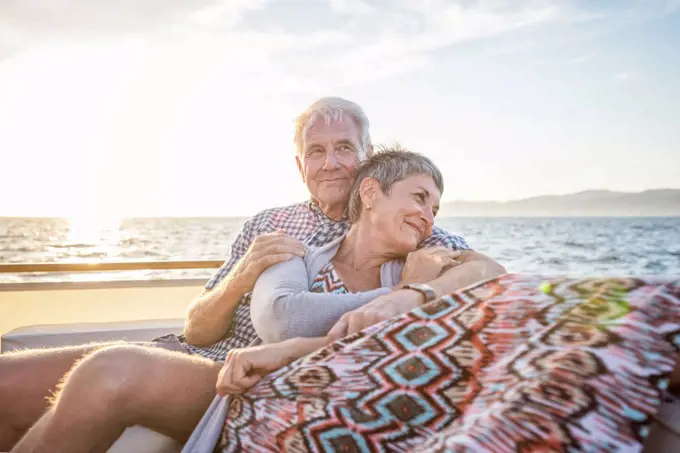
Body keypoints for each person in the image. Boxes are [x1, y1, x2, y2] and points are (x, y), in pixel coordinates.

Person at [1, 97, 505, 450]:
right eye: (316, 150)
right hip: (187, 351)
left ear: (368, 163)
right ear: (299, 163)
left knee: (112, 373)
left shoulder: (409, 228)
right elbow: (196, 328)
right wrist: (241, 277)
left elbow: (486, 272)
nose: (330, 163)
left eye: (345, 148)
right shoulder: (269, 224)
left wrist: (410, 293)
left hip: (252, 376)